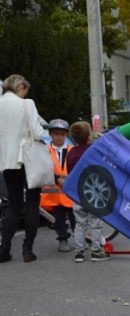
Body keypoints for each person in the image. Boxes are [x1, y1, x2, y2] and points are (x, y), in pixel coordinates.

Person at [0, 75, 49, 263]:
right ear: (20, 86)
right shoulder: (27, 104)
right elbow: (37, 132)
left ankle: (4, 250)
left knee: (13, 204)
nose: (24, 94)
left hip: (8, 160)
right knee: (32, 203)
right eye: (24, 90)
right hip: (29, 159)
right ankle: (27, 250)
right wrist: (46, 136)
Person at [65, 121, 110, 263]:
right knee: (95, 223)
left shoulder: (71, 153)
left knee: (80, 223)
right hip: (95, 192)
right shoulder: (94, 150)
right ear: (89, 136)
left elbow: (69, 172)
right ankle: (96, 252)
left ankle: (79, 252)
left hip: (78, 193)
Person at [40, 119, 76, 252]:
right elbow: (43, 169)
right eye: (56, 134)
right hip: (54, 194)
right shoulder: (45, 151)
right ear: (50, 134)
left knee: (76, 219)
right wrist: (57, 179)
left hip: (71, 193)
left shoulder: (73, 150)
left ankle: (80, 239)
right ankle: (62, 239)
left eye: (62, 134)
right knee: (59, 220)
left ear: (66, 135)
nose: (59, 137)